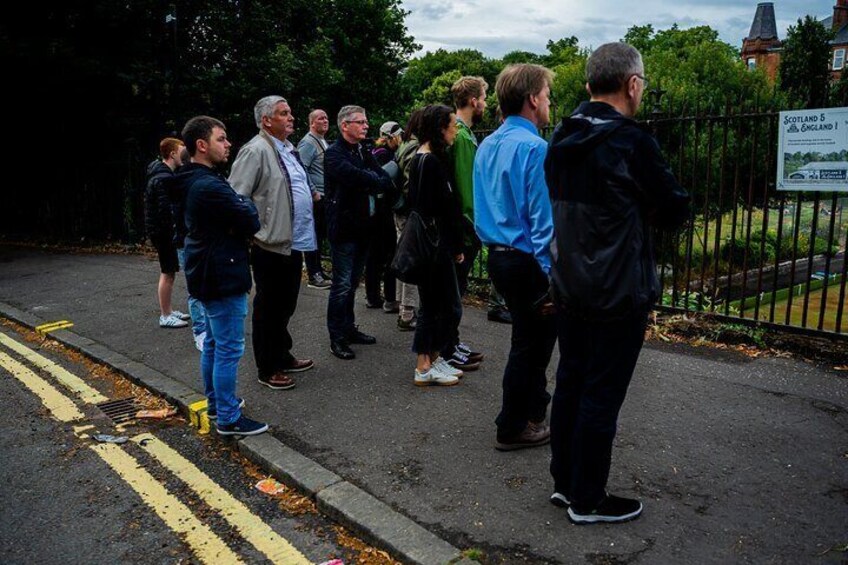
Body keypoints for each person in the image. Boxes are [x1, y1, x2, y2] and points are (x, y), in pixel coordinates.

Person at [545, 42, 690, 524]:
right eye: (642, 84)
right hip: (618, 287)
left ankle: (565, 484)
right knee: (601, 395)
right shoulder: (632, 142)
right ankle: (588, 498)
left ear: (590, 85)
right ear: (632, 84)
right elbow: (675, 209)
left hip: (569, 283)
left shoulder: (562, 137)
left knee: (571, 381)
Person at [473, 63, 557, 451]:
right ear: (532, 99)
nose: (549, 101)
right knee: (531, 346)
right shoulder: (534, 147)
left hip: (498, 257)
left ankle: (531, 414)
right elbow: (543, 223)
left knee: (527, 341)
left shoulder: (488, 143)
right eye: (547, 94)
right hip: (527, 261)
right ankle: (513, 425)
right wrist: (550, 277)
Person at [177, 115, 268, 436]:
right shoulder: (210, 185)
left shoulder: (191, 179)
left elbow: (238, 214)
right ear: (202, 145)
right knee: (229, 347)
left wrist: (238, 209)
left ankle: (217, 404)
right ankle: (229, 417)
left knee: (215, 344)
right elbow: (250, 219)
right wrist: (243, 205)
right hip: (221, 272)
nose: (229, 144)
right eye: (221, 138)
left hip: (205, 270)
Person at [229, 95, 316, 391]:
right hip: (269, 243)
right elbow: (238, 197)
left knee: (286, 302)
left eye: (290, 112)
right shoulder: (255, 151)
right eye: (283, 113)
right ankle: (267, 367)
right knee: (269, 305)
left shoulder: (287, 149)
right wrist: (258, 230)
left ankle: (282, 352)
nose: (291, 117)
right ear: (266, 120)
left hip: (292, 242)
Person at [324, 105, 393, 360]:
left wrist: (369, 178)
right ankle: (337, 337)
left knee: (353, 283)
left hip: (364, 228)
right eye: (360, 122)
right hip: (344, 229)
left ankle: (349, 328)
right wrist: (369, 178)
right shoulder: (334, 154)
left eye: (366, 121)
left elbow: (384, 178)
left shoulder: (363, 150)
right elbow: (357, 178)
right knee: (341, 285)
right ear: (345, 126)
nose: (366, 126)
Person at [407, 105, 467, 386]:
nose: (455, 130)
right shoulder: (431, 162)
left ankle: (431, 357)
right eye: (452, 125)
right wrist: (456, 245)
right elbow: (444, 209)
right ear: (440, 128)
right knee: (440, 306)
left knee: (436, 304)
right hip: (435, 246)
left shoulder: (420, 157)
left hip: (428, 244)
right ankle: (423, 364)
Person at [144, 137, 191, 329]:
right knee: (167, 272)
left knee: (169, 271)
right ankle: (165, 315)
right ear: (172, 153)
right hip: (164, 234)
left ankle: (169, 310)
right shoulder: (164, 178)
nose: (185, 154)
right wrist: (173, 233)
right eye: (181, 150)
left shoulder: (161, 175)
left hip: (161, 233)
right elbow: (167, 210)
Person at [168, 144, 208, 351]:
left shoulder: (184, 181)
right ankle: (200, 331)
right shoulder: (184, 183)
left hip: (189, 241)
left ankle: (204, 329)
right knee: (196, 289)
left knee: (201, 287)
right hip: (187, 241)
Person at [364, 121, 403, 312]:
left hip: (376, 211)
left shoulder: (374, 152)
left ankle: (373, 295)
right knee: (387, 254)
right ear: (392, 137)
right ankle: (388, 297)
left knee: (375, 255)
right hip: (383, 211)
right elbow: (382, 181)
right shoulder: (385, 155)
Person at [392, 110, 424, 331]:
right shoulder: (414, 147)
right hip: (410, 212)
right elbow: (411, 183)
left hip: (402, 211)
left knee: (404, 258)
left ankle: (402, 306)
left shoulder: (404, 144)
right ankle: (407, 311)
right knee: (411, 261)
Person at [298, 109, 333, 290]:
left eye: (326, 117)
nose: (325, 121)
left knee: (321, 235)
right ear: (312, 123)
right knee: (315, 235)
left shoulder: (322, 142)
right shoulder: (308, 143)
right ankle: (314, 274)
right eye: (321, 118)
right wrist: (313, 192)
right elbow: (301, 168)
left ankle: (319, 270)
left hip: (325, 195)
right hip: (316, 197)